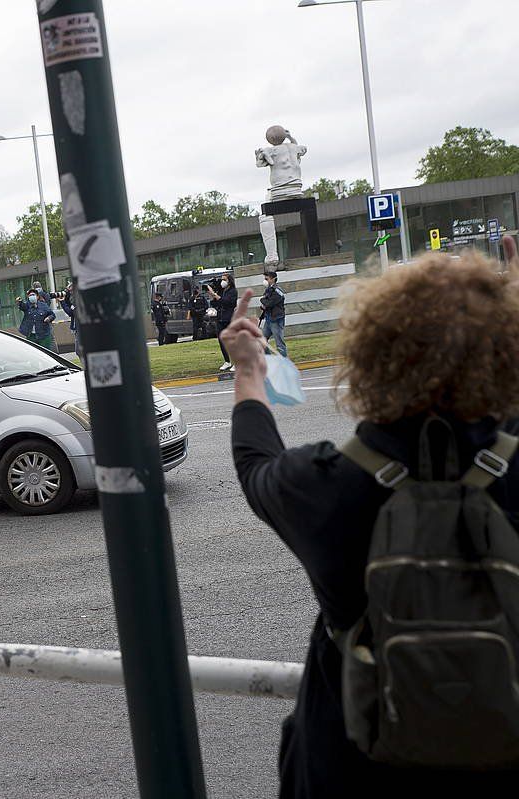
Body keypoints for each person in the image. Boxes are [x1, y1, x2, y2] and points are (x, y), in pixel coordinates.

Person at [223, 248, 519, 798]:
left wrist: (248, 370)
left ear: (371, 355)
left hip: (354, 765)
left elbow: (254, 462)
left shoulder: (326, 484)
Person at [206, 273, 237, 370]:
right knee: (221, 340)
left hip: (229, 318)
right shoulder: (221, 291)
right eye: (222, 279)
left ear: (229, 281)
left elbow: (227, 302)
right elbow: (216, 303)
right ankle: (227, 361)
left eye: (224, 280)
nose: (222, 282)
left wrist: (215, 295)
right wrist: (213, 296)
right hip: (220, 318)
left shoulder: (233, 291)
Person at [259, 270, 287, 358]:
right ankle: (269, 360)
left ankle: (284, 363)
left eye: (266, 278)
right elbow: (266, 303)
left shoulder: (277, 290)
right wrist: (264, 303)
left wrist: (262, 300)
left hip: (276, 320)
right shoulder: (268, 289)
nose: (265, 280)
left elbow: (268, 303)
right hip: (269, 319)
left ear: (273, 279)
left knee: (279, 344)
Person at [60, 278, 80, 357]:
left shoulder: (79, 300)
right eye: (70, 291)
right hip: (77, 329)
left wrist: (62, 302)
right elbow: (69, 303)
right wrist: (66, 292)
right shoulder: (74, 300)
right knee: (79, 351)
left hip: (80, 328)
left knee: (79, 351)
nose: (71, 293)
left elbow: (70, 312)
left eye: (72, 291)